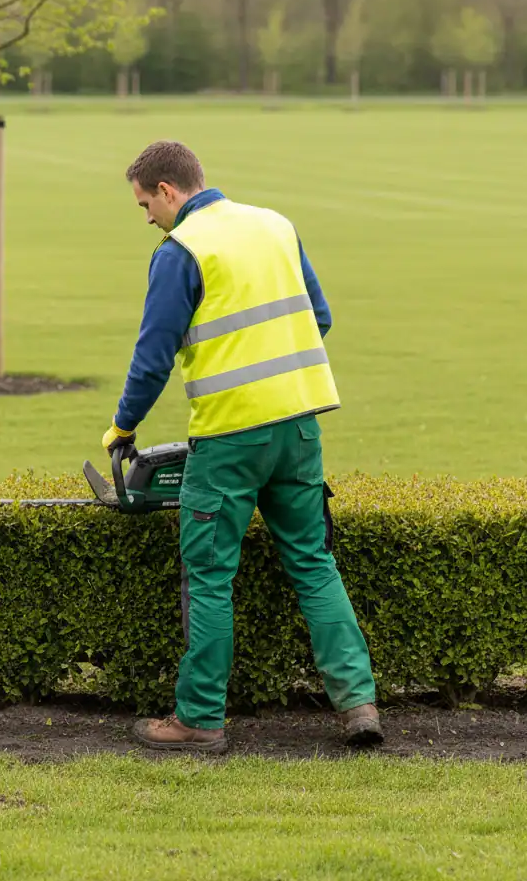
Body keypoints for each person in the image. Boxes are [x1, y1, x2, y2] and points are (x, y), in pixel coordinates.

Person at [102, 140, 382, 753]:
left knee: (209, 575)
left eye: (146, 203)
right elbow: (320, 317)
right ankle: (359, 705)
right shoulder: (274, 225)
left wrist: (122, 428)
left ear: (169, 192)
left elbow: (152, 360)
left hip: (230, 438)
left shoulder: (181, 252)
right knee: (313, 563)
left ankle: (199, 720)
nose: (146, 215)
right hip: (301, 427)